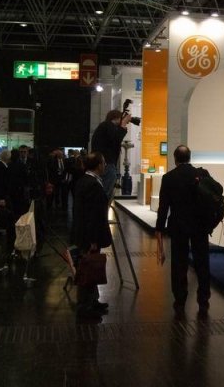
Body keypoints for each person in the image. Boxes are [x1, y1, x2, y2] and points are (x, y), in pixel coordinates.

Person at [155, 145, 211, 316]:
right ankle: (203, 300)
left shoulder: (169, 178)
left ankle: (180, 300)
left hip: (178, 226)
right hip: (200, 226)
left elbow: (163, 207)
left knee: (179, 264)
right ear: (189, 157)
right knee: (202, 263)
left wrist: (159, 230)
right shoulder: (202, 174)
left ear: (175, 159)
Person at [71, 151, 113, 319]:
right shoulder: (92, 184)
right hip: (89, 236)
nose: (105, 165)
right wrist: (93, 240)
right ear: (98, 165)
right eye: (103, 162)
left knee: (91, 267)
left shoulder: (86, 181)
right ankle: (86, 305)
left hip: (86, 234)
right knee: (88, 268)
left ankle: (93, 301)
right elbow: (92, 215)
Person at [90, 109, 132, 199]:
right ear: (117, 118)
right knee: (105, 193)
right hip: (107, 164)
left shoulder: (104, 126)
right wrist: (123, 124)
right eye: (121, 118)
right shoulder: (107, 125)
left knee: (104, 190)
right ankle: (102, 207)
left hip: (104, 163)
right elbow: (117, 139)